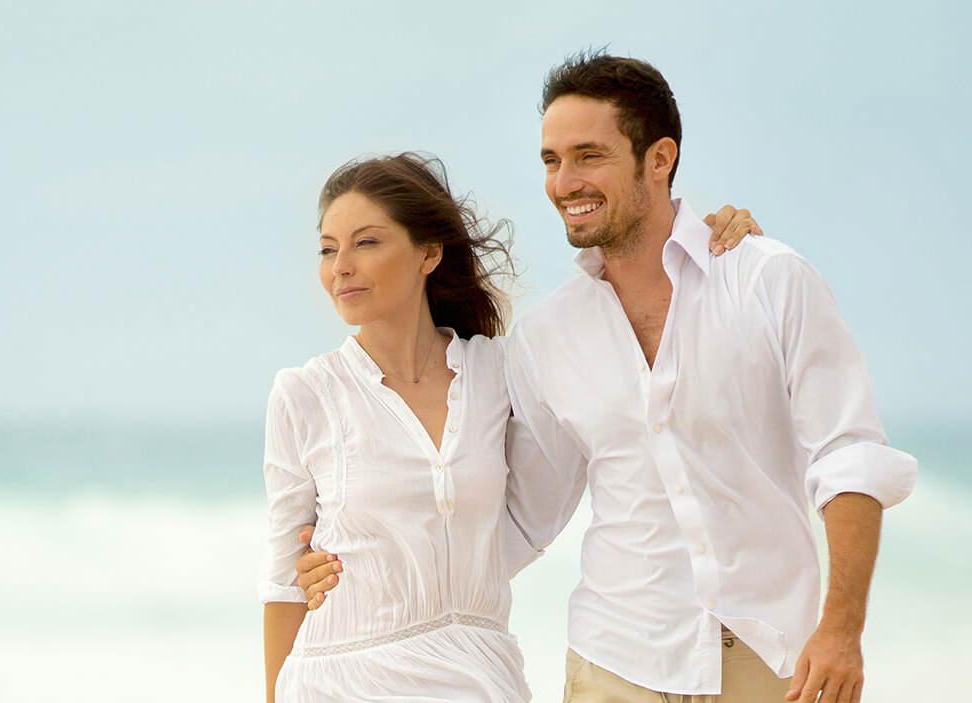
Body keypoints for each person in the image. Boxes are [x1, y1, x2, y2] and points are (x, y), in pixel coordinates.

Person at [294, 53, 917, 703]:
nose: (565, 181)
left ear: (659, 159)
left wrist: (841, 630)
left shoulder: (769, 281)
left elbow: (849, 458)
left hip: (772, 662)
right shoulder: (549, 335)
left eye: (589, 155)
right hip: (612, 666)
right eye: (550, 160)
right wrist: (354, 565)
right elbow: (520, 518)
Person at [261, 151, 760, 702]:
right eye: (328, 249)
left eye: (367, 242)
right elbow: (284, 580)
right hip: (340, 680)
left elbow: (622, 382)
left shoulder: (501, 371)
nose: (341, 266)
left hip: (479, 677)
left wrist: (697, 245)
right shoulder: (304, 394)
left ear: (429, 253)